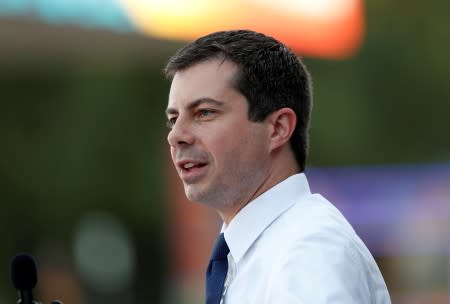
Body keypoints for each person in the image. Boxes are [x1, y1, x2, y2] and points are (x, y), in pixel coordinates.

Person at [164, 30, 391, 304]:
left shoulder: (310, 252)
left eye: (204, 113)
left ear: (278, 128)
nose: (176, 135)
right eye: (173, 118)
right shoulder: (262, 250)